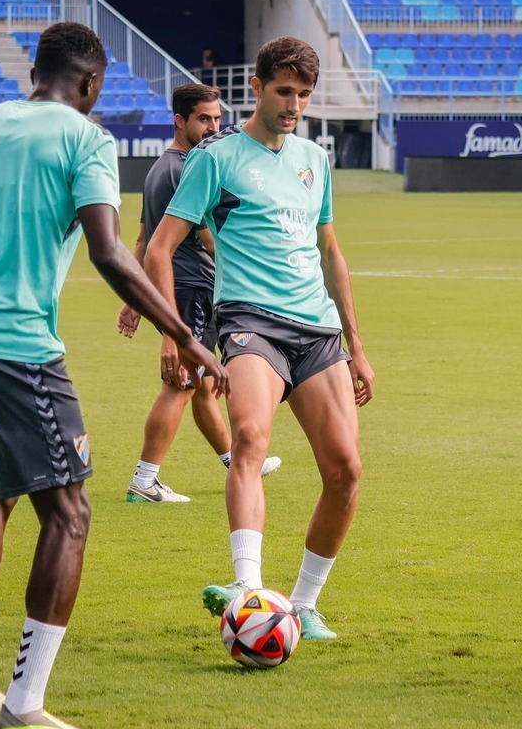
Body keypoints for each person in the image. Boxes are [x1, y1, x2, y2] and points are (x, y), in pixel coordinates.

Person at [0, 22, 227, 729]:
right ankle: (24, 706)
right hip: (16, 348)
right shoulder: (86, 140)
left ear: (36, 70)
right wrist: (184, 334)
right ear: (91, 85)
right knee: (70, 514)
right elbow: (110, 252)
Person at [143, 36, 376, 640]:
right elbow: (158, 249)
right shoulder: (216, 158)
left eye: (303, 94)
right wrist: (172, 335)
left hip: (318, 329)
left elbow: (330, 251)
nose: (294, 103)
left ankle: (300, 604)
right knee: (248, 436)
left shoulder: (313, 159)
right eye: (284, 91)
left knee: (346, 471)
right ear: (258, 87)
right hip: (250, 322)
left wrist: (357, 347)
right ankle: (246, 590)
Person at [116, 83, 281, 503]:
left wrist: (135, 298)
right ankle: (144, 479)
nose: (213, 127)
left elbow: (142, 238)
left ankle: (240, 462)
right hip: (190, 289)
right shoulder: (191, 167)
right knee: (183, 383)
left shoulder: (159, 169)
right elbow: (211, 242)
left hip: (177, 288)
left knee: (206, 384)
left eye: (216, 118)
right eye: (203, 119)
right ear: (180, 121)